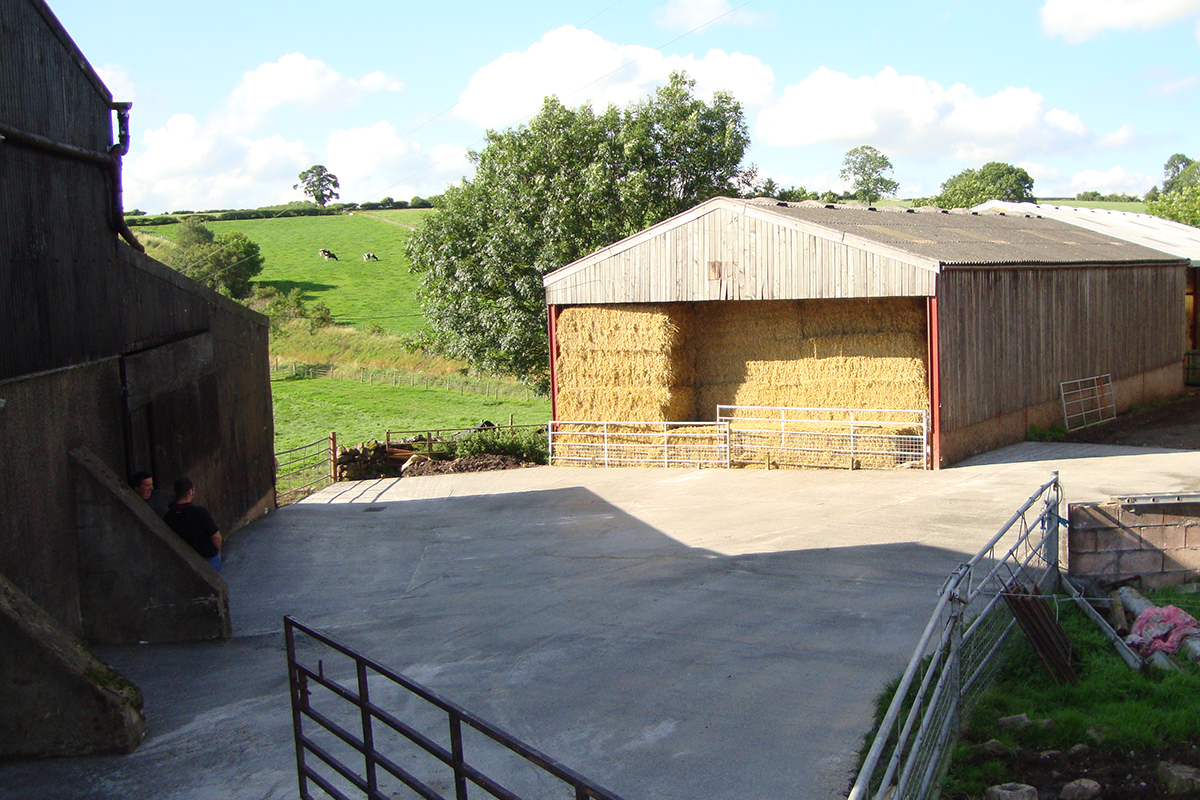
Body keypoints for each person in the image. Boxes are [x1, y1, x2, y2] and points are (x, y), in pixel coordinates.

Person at [163, 477, 223, 572]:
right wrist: (217, 551)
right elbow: (216, 536)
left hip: (185, 560)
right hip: (207, 556)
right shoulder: (199, 512)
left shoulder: (169, 516)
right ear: (190, 491)